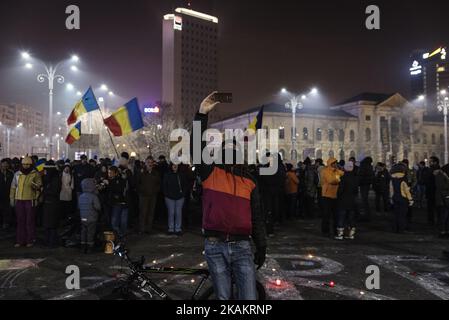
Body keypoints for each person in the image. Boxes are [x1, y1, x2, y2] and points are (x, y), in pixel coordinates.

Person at [192, 92, 266, 300]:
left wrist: (261, 247)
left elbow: (257, 217)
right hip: (215, 245)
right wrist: (201, 114)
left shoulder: (250, 181)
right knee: (223, 297)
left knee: (249, 298)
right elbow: (196, 149)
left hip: (242, 246)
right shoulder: (210, 173)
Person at [10, 157, 42, 247]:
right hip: (19, 200)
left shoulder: (35, 174)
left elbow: (39, 187)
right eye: (24, 164)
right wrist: (12, 199)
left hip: (30, 200)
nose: (26, 166)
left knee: (29, 221)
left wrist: (34, 187)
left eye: (28, 164)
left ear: (31, 165)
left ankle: (30, 240)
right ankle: (20, 241)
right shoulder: (17, 174)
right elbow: (13, 187)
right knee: (20, 221)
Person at [320, 157, 344, 236]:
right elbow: (331, 180)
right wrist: (338, 178)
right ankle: (325, 231)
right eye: (334, 163)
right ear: (331, 164)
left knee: (335, 215)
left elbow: (343, 173)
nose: (335, 164)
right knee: (326, 215)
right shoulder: (325, 171)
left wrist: (338, 171)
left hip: (335, 195)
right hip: (327, 195)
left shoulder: (336, 171)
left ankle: (335, 230)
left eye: (336, 163)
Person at [335, 161, 359, 240]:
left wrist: (338, 196)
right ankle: (351, 234)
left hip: (343, 200)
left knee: (341, 217)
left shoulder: (343, 177)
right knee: (351, 217)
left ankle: (340, 234)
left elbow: (340, 190)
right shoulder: (355, 178)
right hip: (352, 200)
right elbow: (356, 190)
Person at [137, 157, 161, 234]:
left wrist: (155, 191)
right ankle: (142, 229)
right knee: (143, 213)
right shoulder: (141, 172)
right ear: (145, 163)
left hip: (153, 196)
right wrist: (142, 191)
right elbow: (137, 183)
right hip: (143, 196)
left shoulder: (156, 173)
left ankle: (149, 228)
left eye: (151, 162)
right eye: (148, 162)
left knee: (151, 212)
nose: (150, 164)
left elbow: (158, 184)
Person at [163, 163, 188, 235]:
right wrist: (166, 194)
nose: (175, 166)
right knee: (171, 213)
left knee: (178, 213)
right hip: (169, 197)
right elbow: (164, 185)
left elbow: (185, 185)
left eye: (176, 165)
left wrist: (183, 194)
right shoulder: (167, 175)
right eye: (173, 165)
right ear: (171, 166)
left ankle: (178, 228)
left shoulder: (181, 175)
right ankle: (170, 228)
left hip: (179, 197)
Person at [78, 178, 101, 253]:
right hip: (92, 218)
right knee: (90, 232)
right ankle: (89, 247)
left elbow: (78, 207)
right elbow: (98, 207)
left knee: (83, 231)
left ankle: (82, 247)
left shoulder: (81, 196)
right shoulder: (94, 196)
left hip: (83, 218)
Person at [42, 161, 62, 248]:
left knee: (52, 225)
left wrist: (44, 190)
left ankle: (51, 242)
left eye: (46, 170)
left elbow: (55, 191)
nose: (45, 172)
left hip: (53, 204)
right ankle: (47, 241)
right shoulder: (47, 179)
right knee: (47, 224)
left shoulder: (55, 179)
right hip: (47, 204)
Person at [390, 163, 413, 233]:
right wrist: (410, 199)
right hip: (403, 198)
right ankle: (401, 229)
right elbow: (406, 190)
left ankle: (395, 228)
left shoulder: (392, 179)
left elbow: (391, 190)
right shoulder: (403, 179)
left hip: (395, 198)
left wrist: (391, 198)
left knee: (395, 214)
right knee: (402, 215)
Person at [108, 166, 128, 238]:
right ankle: (120, 236)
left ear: (116, 173)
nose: (109, 174)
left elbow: (119, 191)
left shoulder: (120, 180)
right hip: (117, 203)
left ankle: (121, 235)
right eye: (109, 173)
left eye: (111, 173)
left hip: (120, 203)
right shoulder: (109, 180)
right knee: (119, 221)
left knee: (119, 222)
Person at [423, 156, 440, 225]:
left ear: (435, 162)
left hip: (433, 191)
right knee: (434, 208)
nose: (429, 163)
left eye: (431, 161)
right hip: (433, 191)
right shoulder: (431, 170)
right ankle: (433, 221)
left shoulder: (435, 170)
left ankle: (432, 221)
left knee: (434, 208)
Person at [434, 164, 449, 238]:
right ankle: (442, 231)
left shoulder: (442, 175)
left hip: (445, 199)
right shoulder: (441, 176)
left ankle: (446, 230)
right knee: (443, 216)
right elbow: (442, 188)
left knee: (445, 216)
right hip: (443, 199)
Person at [358, 157, 374, 221]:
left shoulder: (363, 166)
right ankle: (367, 214)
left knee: (364, 199)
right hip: (366, 184)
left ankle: (366, 214)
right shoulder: (369, 167)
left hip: (363, 184)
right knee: (365, 199)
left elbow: (360, 175)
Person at [0, 159, 14, 230]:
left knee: (7, 210)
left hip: (8, 195)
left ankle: (6, 223)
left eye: (6, 164)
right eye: (4, 164)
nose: (5, 165)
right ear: (1, 164)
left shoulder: (11, 173)